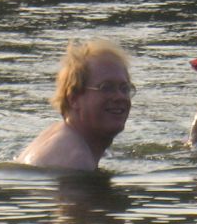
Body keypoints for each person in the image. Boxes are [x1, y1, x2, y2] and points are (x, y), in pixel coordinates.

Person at [17, 39, 134, 171]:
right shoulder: (76, 161)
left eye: (124, 88)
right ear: (73, 98)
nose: (120, 97)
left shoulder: (64, 134)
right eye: (106, 88)